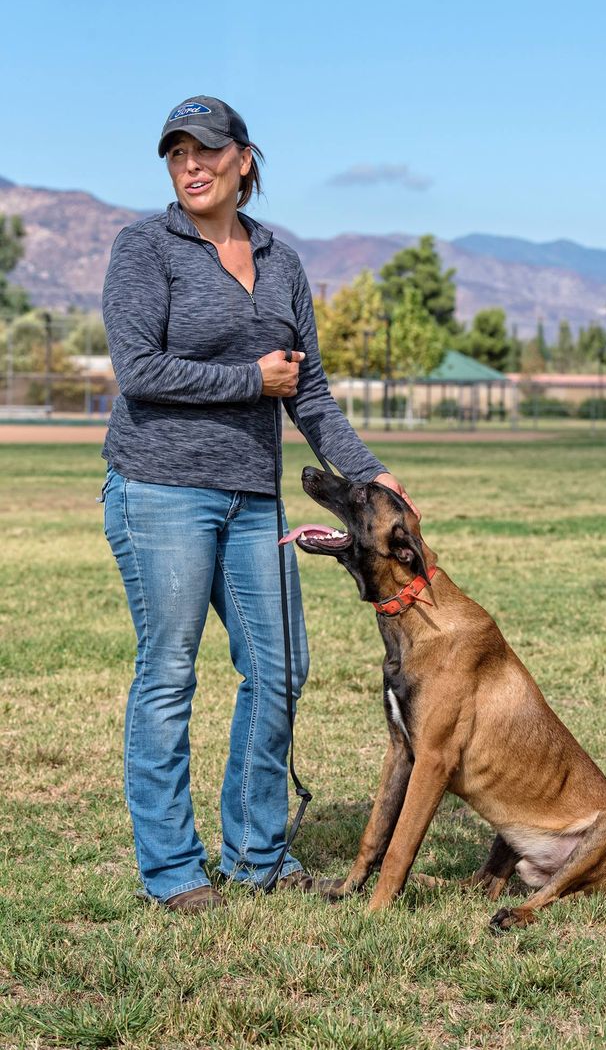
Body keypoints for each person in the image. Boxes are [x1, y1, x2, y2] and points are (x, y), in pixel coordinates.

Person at [101, 95, 418, 912]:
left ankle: (257, 855)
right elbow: (138, 369)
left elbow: (307, 392)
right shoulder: (145, 248)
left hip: (251, 499)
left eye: (206, 150)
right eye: (176, 154)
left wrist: (374, 477)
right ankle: (172, 872)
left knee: (280, 668)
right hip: (161, 490)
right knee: (169, 674)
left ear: (245, 159)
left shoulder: (280, 260)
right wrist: (250, 380)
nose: (191, 166)